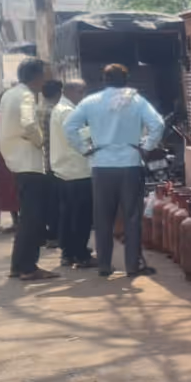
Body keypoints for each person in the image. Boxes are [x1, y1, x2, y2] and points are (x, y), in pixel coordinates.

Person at [64, 63, 164, 278]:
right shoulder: (136, 101)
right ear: (126, 80)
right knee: (132, 216)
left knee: (102, 218)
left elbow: (69, 127)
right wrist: (146, 147)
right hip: (130, 164)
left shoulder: (91, 102)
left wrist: (85, 149)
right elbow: (158, 124)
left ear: (104, 80)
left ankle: (104, 265)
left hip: (101, 165)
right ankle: (132, 265)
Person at [0, 58, 56, 281]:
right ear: (37, 77)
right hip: (29, 161)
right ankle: (28, 267)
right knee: (33, 218)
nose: (46, 79)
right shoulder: (25, 96)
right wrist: (41, 141)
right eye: (44, 74)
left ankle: (18, 264)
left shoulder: (9, 94)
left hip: (16, 160)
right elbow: (29, 124)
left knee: (27, 218)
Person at [51, 81, 96, 269]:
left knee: (68, 215)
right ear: (69, 91)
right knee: (81, 215)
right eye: (81, 91)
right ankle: (80, 254)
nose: (83, 95)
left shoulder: (59, 109)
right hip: (77, 169)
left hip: (65, 170)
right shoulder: (69, 112)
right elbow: (81, 137)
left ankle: (68, 253)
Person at [38, 79, 63, 249]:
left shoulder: (39, 108)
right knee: (57, 202)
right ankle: (54, 236)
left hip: (44, 160)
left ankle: (48, 235)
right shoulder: (53, 110)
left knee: (49, 201)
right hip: (55, 160)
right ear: (57, 93)